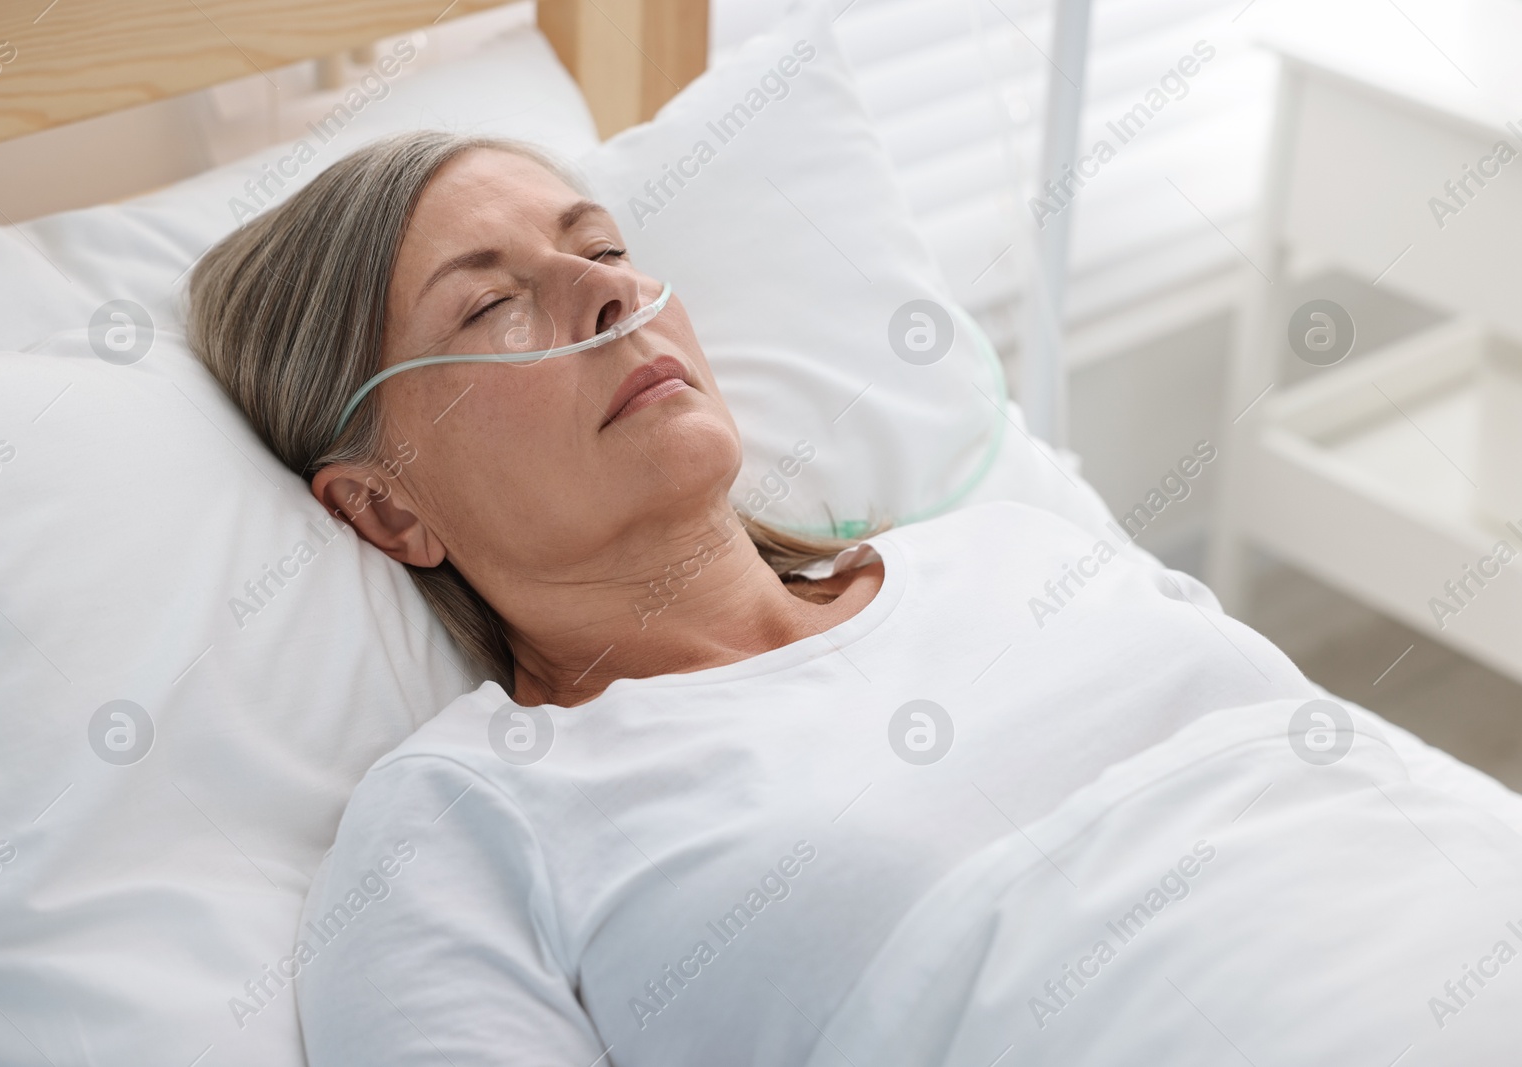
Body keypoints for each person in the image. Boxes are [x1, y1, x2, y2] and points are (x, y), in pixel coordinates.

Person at [189, 131, 1313, 1065]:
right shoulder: (472, 823)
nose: (607, 292)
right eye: (492, 307)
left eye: (607, 247)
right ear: (387, 510)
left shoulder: (1013, 553)